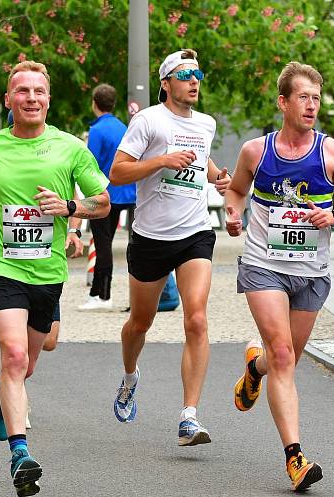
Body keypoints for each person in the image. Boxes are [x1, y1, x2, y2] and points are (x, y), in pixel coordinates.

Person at [0, 60, 110, 497]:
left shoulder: (69, 149)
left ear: (48, 100)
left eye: (37, 92)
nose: (30, 98)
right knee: (14, 355)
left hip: (46, 270)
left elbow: (101, 201)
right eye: (21, 91)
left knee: (28, 364)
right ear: (9, 100)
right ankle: (20, 453)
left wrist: (70, 208)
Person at [224, 61, 334, 492]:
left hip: (311, 272)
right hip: (264, 264)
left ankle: (255, 368)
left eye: (316, 98)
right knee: (284, 354)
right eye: (303, 97)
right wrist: (233, 214)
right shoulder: (255, 151)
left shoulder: (332, 152)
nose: (311, 106)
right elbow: (236, 191)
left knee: (282, 359)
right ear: (283, 102)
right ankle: (295, 457)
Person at [109, 49, 231, 446]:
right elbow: (118, 171)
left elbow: (204, 161)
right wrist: (162, 160)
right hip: (150, 237)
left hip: (195, 234)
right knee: (140, 324)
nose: (195, 81)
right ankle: (130, 375)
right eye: (185, 75)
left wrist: (219, 177)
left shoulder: (206, 124)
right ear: (166, 83)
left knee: (196, 319)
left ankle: (189, 416)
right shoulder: (148, 121)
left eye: (199, 74)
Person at [79, 84, 137, 311]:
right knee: (122, 244)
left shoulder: (97, 131)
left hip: (104, 195)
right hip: (128, 191)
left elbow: (90, 165)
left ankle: (103, 296)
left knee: (103, 245)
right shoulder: (124, 127)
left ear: (94, 103)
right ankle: (98, 293)